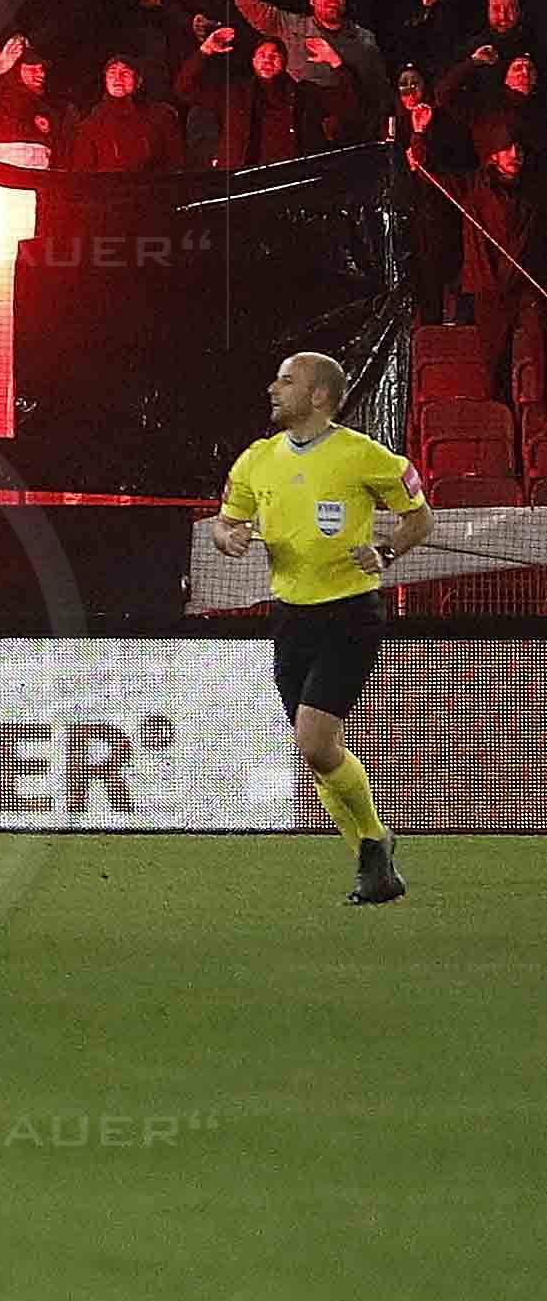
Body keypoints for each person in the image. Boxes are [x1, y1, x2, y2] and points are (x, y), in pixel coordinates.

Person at [206, 346, 423, 905]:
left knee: (315, 739)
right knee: (314, 752)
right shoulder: (257, 459)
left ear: (318, 395)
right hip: (290, 616)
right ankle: (375, 863)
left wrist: (387, 551)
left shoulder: (362, 456)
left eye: (286, 381)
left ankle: (374, 844)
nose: (273, 390)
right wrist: (227, 537)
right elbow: (226, 524)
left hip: (350, 613)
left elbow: (421, 517)